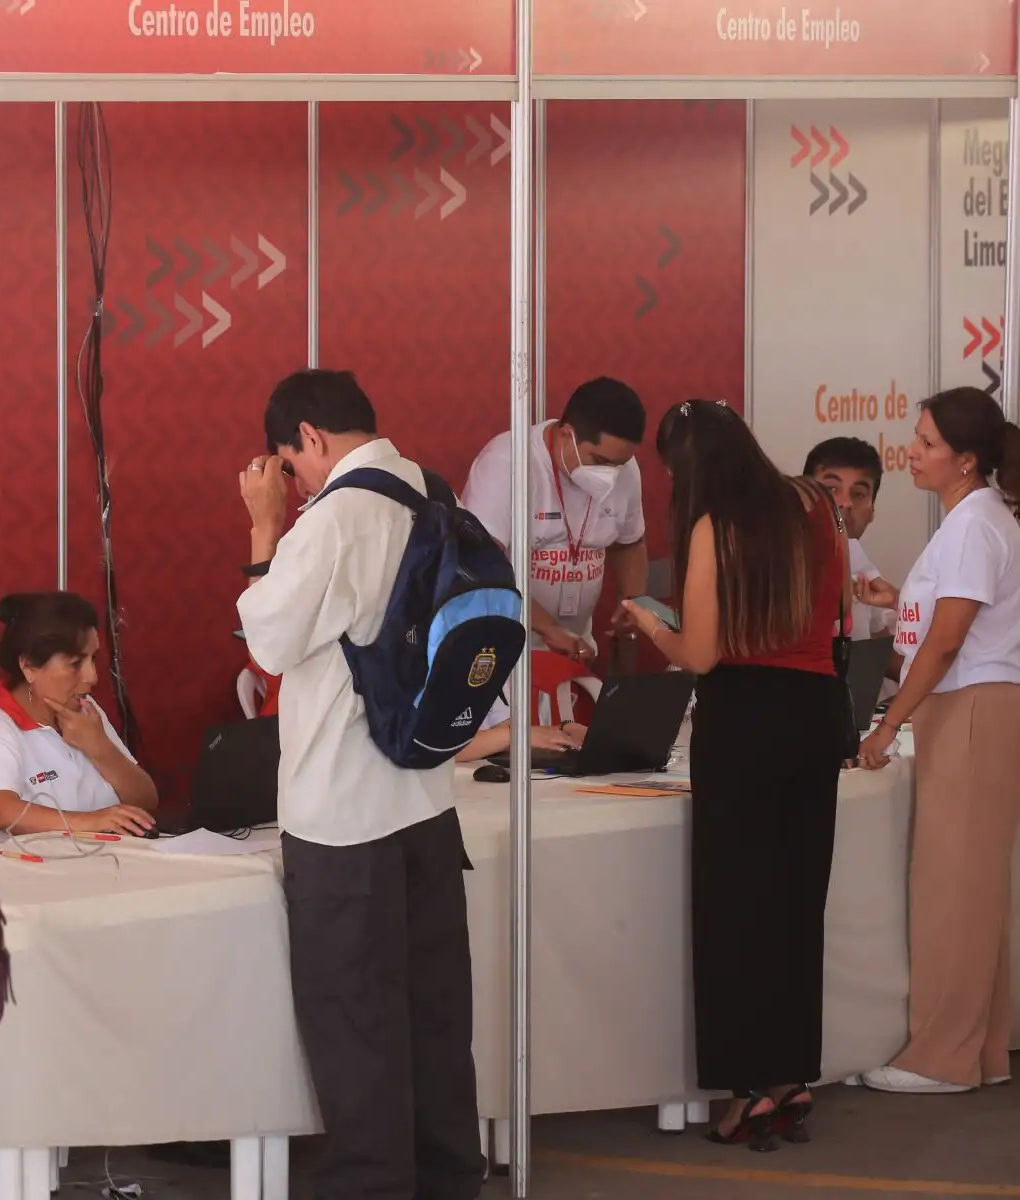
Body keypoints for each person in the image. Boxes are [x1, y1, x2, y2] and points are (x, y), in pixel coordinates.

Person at [236, 369, 483, 1199]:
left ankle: (373, 1186)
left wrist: (265, 528)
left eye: (288, 463)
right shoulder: (427, 491)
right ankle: (449, 1175)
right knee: (435, 1015)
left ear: (308, 437)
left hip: (342, 816)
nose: (291, 481)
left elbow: (267, 640)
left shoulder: (335, 519)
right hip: (425, 800)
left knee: (355, 1023)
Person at [621, 400, 847, 1150]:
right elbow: (837, 611)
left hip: (746, 720)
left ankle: (747, 1087)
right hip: (818, 713)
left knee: (736, 912)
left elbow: (702, 654)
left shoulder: (717, 526)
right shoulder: (814, 504)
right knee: (794, 905)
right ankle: (792, 1074)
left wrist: (649, 620)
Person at [855, 389, 1020, 1095]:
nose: (912, 453)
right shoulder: (968, 521)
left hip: (974, 706)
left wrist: (890, 723)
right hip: (968, 706)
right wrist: (897, 602)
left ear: (967, 460)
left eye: (926, 443)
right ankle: (979, 1050)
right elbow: (943, 623)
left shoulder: (977, 525)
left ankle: (941, 1057)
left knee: (954, 886)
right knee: (973, 887)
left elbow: (950, 642)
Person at [461, 376, 651, 663]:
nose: (611, 474)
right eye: (600, 461)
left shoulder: (626, 470)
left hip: (574, 648)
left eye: (619, 464)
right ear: (566, 436)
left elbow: (630, 543)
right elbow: (479, 565)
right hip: (505, 652)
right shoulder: (507, 464)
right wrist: (547, 628)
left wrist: (634, 602)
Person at [0, 592, 158, 837]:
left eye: (93, 659)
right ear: (29, 666)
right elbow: (3, 813)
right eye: (75, 663)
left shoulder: (88, 712)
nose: (92, 676)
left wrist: (100, 748)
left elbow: (147, 801)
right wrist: (95, 821)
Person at [803, 436, 897, 641]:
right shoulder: (778, 568)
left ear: (872, 511)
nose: (845, 503)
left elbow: (878, 653)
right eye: (831, 489)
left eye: (859, 494)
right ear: (805, 499)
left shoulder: (862, 567)